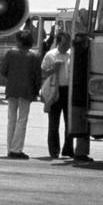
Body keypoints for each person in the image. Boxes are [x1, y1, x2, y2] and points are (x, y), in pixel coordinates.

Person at [0, 30, 42, 159]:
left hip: (12, 90)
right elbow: (37, 77)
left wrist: (12, 78)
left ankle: (10, 148)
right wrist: (36, 91)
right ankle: (16, 149)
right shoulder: (34, 56)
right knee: (22, 120)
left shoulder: (11, 53)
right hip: (27, 91)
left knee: (11, 119)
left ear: (20, 42)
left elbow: (3, 71)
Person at [40, 31, 74, 159]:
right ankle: (54, 150)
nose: (67, 47)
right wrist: (53, 69)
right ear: (58, 42)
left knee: (69, 123)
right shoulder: (50, 55)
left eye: (68, 44)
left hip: (68, 90)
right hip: (54, 90)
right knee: (53, 123)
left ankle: (68, 149)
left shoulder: (71, 54)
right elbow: (43, 73)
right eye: (64, 44)